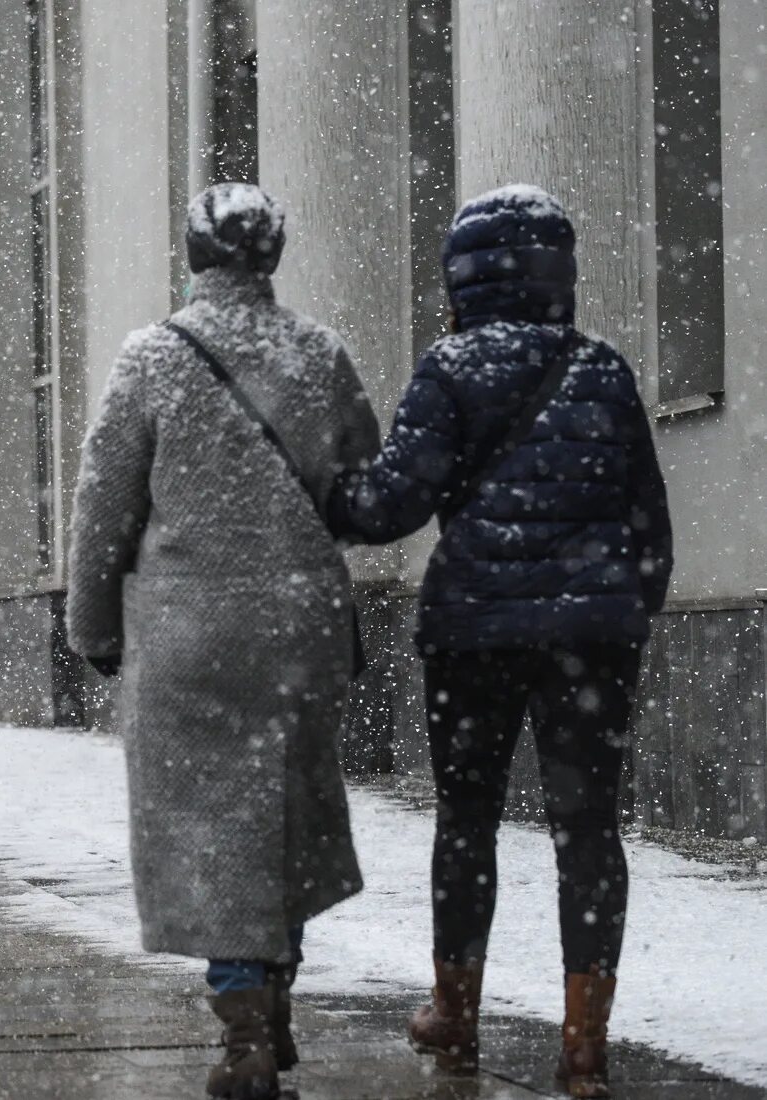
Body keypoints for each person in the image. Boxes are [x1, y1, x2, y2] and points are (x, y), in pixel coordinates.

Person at [328, 185, 673, 1099]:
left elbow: (393, 504)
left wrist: (331, 492)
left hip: (472, 636)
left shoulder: (448, 371)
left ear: (463, 279)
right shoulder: (604, 372)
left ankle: (455, 1012)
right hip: (589, 643)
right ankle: (584, 1044)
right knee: (588, 832)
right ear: (559, 273)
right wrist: (622, 615)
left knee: (467, 824)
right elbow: (649, 520)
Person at [67, 183, 381, 1100]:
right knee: (291, 814)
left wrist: (91, 625)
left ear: (196, 256)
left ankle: (243, 1022)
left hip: (188, 628)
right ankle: (272, 994)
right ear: (272, 254)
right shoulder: (318, 351)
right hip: (298, 625)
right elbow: (360, 490)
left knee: (211, 828)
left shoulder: (153, 357)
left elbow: (104, 506)